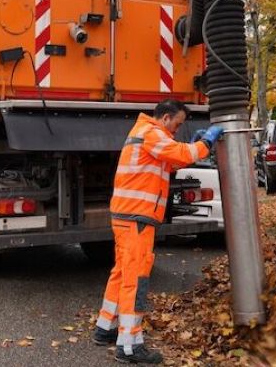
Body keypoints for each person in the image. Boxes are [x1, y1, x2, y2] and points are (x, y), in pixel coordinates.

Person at [92, 99, 223, 364]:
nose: (177, 130)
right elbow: (183, 155)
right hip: (137, 218)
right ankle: (129, 345)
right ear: (165, 118)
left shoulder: (143, 133)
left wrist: (191, 146)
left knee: (122, 272)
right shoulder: (152, 134)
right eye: (177, 124)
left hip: (126, 215)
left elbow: (170, 162)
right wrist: (206, 142)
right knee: (136, 278)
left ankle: (105, 327)